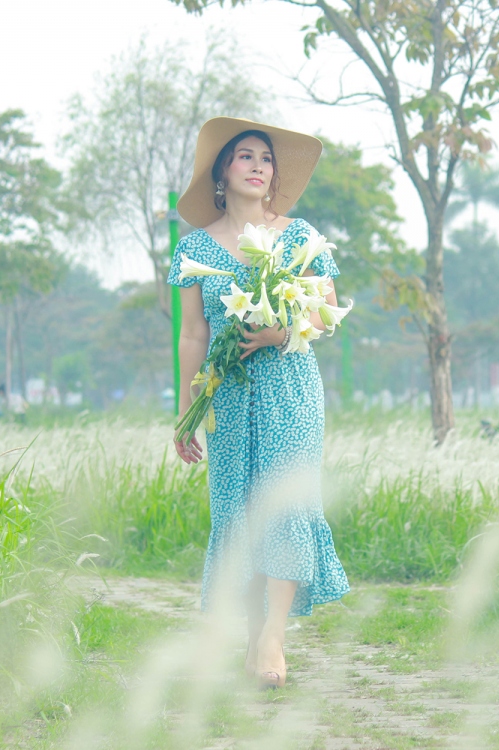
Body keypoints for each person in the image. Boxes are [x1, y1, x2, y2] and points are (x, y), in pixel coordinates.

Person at [168, 117, 349, 689]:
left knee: (286, 505)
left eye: (265, 160)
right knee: (239, 513)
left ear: (273, 177)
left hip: (290, 387)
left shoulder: (299, 236)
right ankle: (254, 634)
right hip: (228, 396)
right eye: (244, 156)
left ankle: (273, 636)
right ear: (223, 172)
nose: (257, 165)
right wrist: (185, 409)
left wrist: (280, 331)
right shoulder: (195, 247)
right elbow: (193, 334)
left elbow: (327, 313)